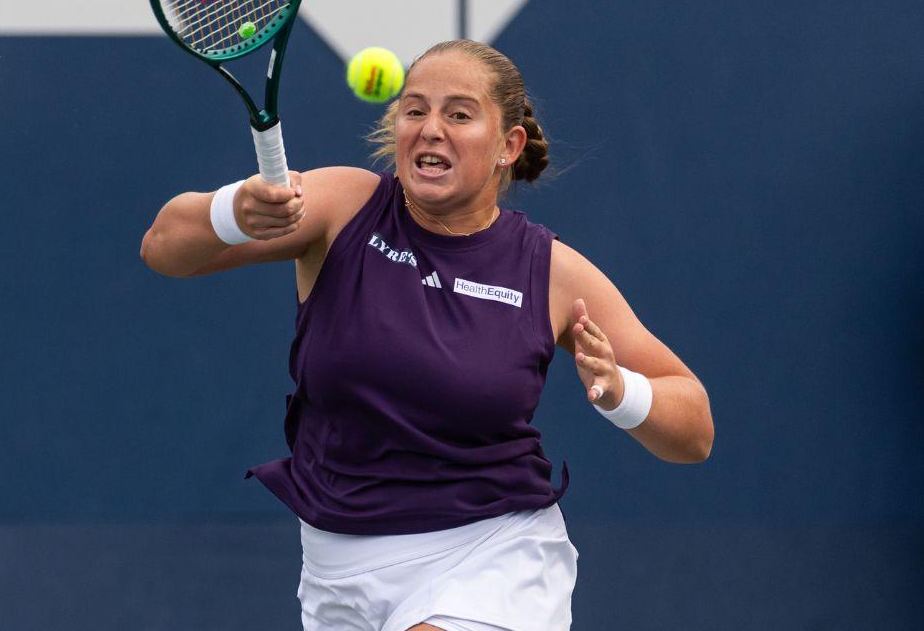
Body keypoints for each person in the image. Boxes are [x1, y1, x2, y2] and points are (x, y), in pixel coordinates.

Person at [140, 40, 714, 631]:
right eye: (414, 110)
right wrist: (234, 212)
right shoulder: (343, 207)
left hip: (490, 556)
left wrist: (623, 393)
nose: (430, 129)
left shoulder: (552, 274)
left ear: (507, 146)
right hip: (336, 570)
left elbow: (694, 427)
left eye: (459, 115)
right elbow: (163, 248)